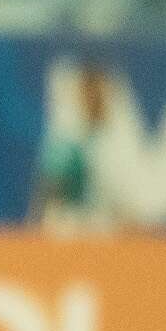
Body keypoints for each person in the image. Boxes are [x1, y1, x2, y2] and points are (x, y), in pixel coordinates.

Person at [32, 62, 126, 234]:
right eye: (93, 94)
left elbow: (116, 194)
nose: (99, 100)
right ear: (83, 96)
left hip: (99, 221)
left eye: (102, 95)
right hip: (70, 221)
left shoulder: (110, 137)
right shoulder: (68, 135)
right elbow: (52, 184)